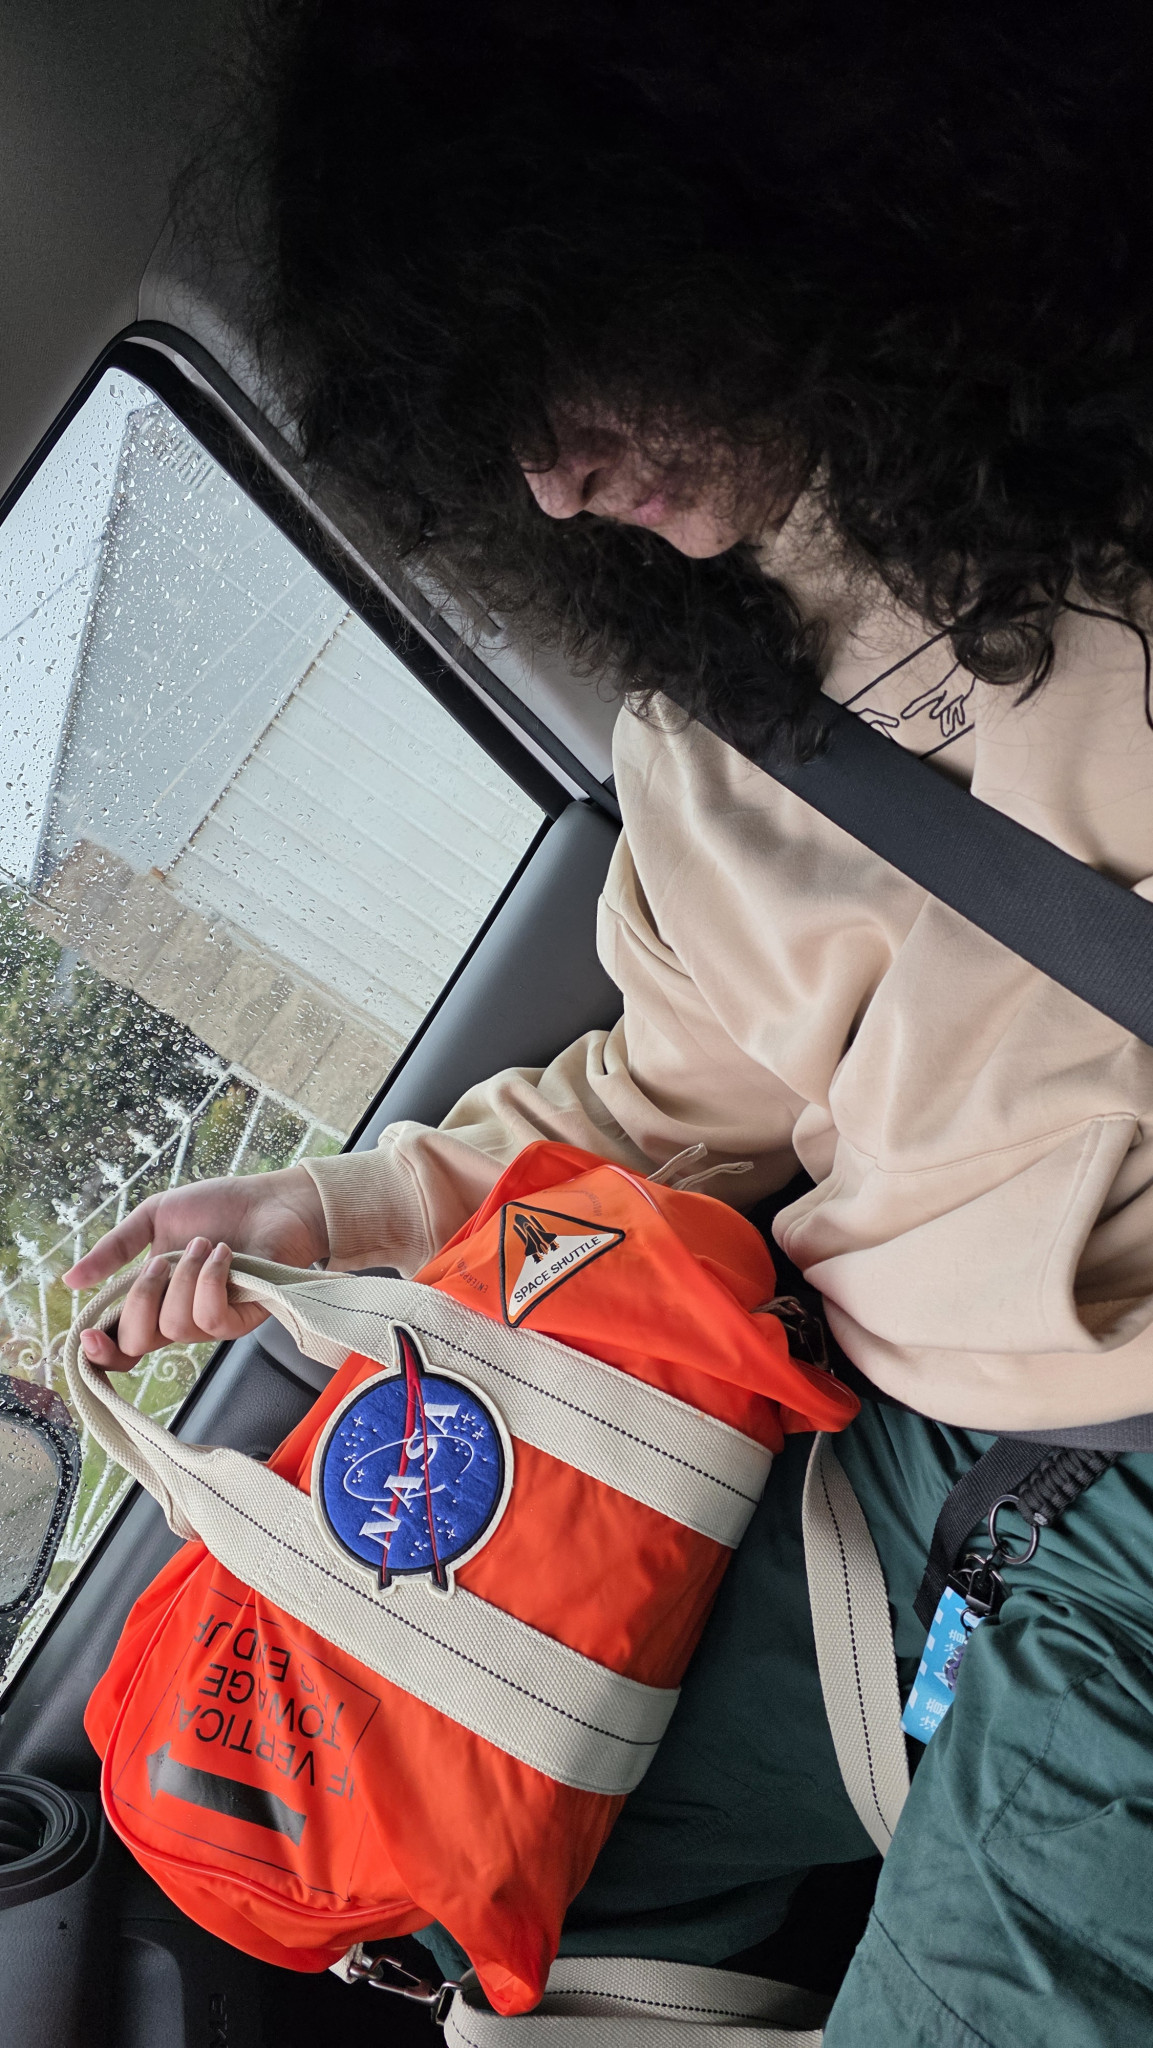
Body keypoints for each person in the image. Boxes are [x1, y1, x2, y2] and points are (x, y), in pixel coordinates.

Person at [67, 5, 1153, 2039]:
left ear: (723, 218)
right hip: (907, 1449)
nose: (549, 482)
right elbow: (667, 1101)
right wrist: (324, 1213)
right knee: (484, 1889)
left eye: (547, 366)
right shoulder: (707, 734)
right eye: (487, 434)